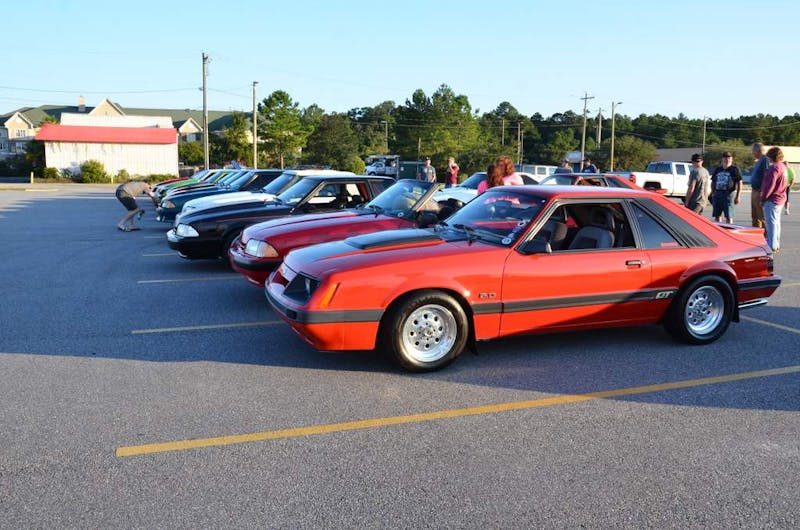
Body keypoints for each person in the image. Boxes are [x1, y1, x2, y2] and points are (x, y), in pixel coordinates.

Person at [761, 147, 788, 253]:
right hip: (781, 198)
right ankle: (776, 244)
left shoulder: (774, 168)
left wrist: (763, 198)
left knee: (770, 223)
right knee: (776, 222)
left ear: (772, 156)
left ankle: (771, 245)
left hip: (772, 199)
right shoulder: (783, 166)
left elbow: (770, 186)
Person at [710, 151, 743, 223]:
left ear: (731, 159)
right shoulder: (718, 169)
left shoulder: (734, 169)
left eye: (729, 158)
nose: (727, 159)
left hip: (728, 195)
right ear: (722, 159)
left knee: (729, 216)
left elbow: (740, 183)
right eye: (725, 157)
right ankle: (718, 229)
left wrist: (738, 196)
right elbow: (713, 182)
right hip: (718, 194)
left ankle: (729, 228)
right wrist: (713, 193)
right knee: (717, 216)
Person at [749, 143, 768, 228]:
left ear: (758, 150)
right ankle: (756, 233)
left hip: (759, 192)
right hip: (754, 191)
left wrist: (762, 190)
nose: (752, 153)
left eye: (753, 151)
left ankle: (765, 234)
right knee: (755, 216)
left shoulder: (765, 159)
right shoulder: (759, 160)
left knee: (761, 216)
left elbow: (766, 175)